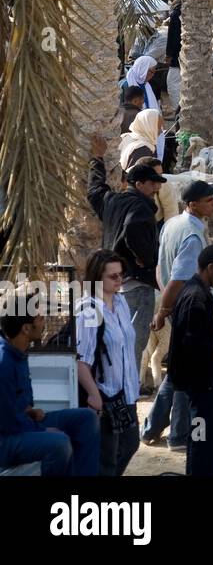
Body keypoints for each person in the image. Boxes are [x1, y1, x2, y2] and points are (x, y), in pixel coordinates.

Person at [142, 179, 213, 452]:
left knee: (177, 372)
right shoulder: (191, 234)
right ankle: (178, 436)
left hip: (178, 306)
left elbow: (160, 268)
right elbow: (178, 279)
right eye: (209, 200)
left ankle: (151, 427)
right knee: (192, 373)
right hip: (191, 311)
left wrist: (166, 304)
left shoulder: (172, 223)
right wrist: (164, 309)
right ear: (193, 204)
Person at [0, 292, 100, 475]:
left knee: (87, 419)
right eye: (38, 318)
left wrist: (30, 411)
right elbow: (7, 423)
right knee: (59, 443)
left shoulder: (18, 351)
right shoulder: (4, 363)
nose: (43, 320)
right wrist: (42, 429)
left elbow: (14, 404)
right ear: (26, 328)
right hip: (6, 440)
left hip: (22, 422)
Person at [87, 137, 163, 375]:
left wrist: (97, 160)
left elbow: (95, 190)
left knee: (113, 338)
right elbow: (132, 229)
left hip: (113, 285)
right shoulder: (141, 207)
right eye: (153, 185)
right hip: (137, 284)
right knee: (133, 342)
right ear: (139, 184)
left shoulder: (112, 200)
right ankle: (126, 385)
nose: (156, 189)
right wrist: (146, 258)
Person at [163, 243, 213, 475]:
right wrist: (207, 379)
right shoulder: (195, 298)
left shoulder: (195, 293)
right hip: (203, 387)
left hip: (203, 384)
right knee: (204, 443)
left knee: (206, 441)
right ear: (210, 268)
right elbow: (193, 345)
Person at [74, 250, 141, 475]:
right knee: (107, 458)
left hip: (127, 393)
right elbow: (81, 360)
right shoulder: (88, 310)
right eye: (113, 276)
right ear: (97, 278)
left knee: (130, 444)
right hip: (104, 396)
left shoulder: (121, 302)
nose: (120, 280)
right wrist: (94, 395)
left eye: (121, 275)